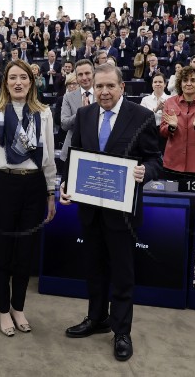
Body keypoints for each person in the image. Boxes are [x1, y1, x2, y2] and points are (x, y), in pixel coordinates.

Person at [59, 63, 162, 362]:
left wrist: (147, 171)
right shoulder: (84, 114)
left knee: (122, 272)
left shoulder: (141, 116)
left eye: (110, 86)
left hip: (123, 213)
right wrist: (67, 184)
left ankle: (121, 331)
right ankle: (96, 318)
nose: (103, 92)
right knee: (94, 267)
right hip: (90, 209)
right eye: (99, 86)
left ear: (122, 88)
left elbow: (156, 158)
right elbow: (74, 155)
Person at [0, 60, 57, 337]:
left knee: (25, 253)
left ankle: (18, 307)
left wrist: (50, 194)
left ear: (31, 82)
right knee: (2, 252)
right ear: (5, 82)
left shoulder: (44, 114)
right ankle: (2, 310)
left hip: (34, 187)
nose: (18, 82)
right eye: (13, 78)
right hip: (4, 186)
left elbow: (48, 158)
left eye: (23, 77)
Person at [160, 66, 195, 178]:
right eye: (185, 80)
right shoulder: (169, 102)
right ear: (180, 84)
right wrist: (171, 127)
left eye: (193, 80)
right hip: (173, 163)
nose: (188, 84)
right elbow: (162, 132)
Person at [59, 59, 95, 160]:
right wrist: (81, 112)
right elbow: (64, 125)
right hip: (73, 150)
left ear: (93, 74)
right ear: (76, 77)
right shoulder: (68, 97)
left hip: (97, 150)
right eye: (80, 74)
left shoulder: (102, 94)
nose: (84, 77)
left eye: (87, 73)